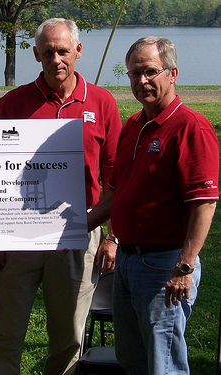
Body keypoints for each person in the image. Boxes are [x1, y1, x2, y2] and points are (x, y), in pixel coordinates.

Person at [0, 18, 122, 375]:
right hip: (18, 232)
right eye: (48, 52)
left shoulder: (102, 103)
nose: (56, 59)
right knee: (6, 332)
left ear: (78, 51)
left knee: (70, 336)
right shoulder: (14, 102)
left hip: (79, 228)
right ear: (36, 55)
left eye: (63, 50)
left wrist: (113, 237)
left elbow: (116, 180)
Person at [87, 36, 219, 374]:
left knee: (163, 364)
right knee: (132, 359)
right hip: (127, 262)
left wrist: (185, 267)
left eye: (149, 72)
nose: (141, 81)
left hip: (164, 266)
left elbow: (205, 202)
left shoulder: (191, 127)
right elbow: (116, 196)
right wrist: (70, 229)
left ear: (172, 74)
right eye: (133, 74)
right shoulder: (133, 125)